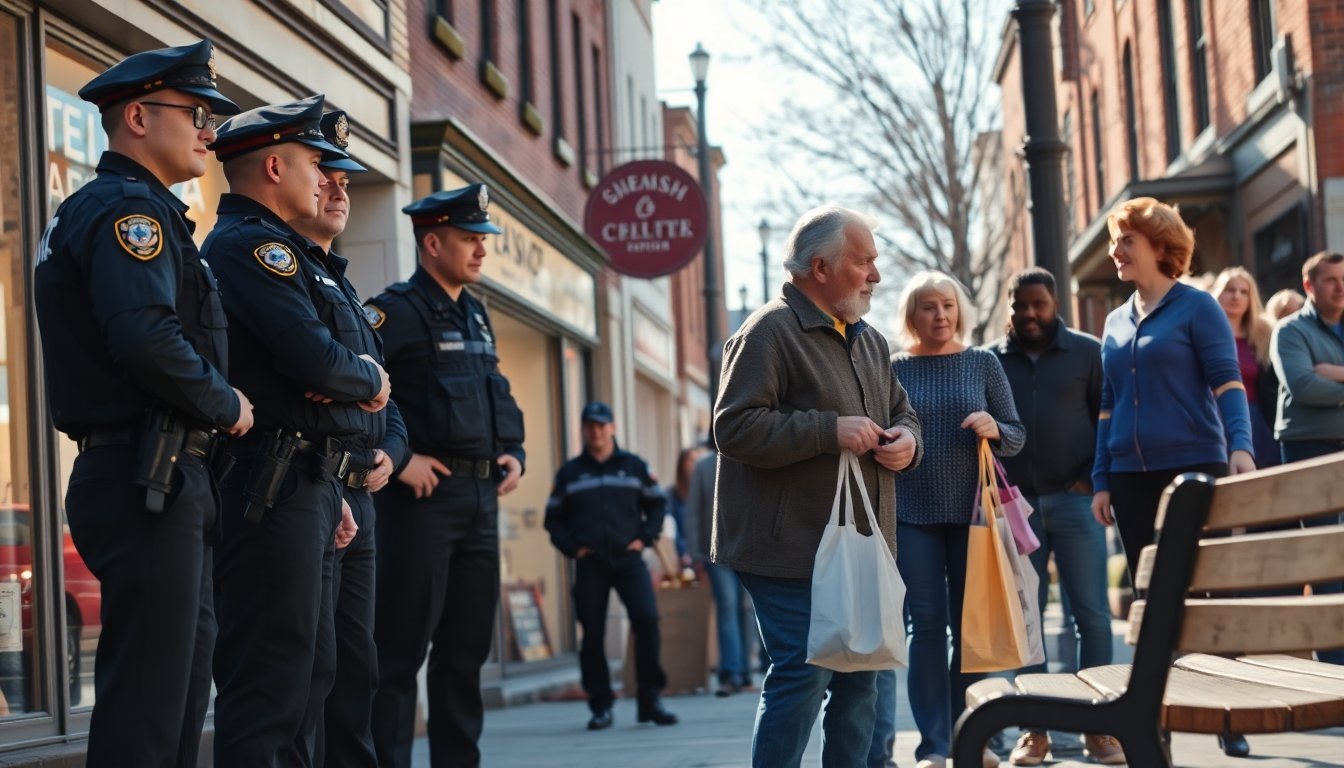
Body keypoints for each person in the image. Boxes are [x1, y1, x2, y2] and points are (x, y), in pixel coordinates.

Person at [32, 39, 251, 767]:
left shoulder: (136, 211)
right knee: (150, 705)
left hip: (158, 472)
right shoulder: (129, 211)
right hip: (145, 473)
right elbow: (146, 339)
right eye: (194, 112)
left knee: (179, 696)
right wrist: (227, 404)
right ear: (136, 117)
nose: (208, 130)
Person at [206, 94, 393, 766]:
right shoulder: (248, 247)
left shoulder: (293, 253)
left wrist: (352, 379)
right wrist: (367, 379)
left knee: (313, 676)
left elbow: (327, 370)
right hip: (271, 487)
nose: (325, 177)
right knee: (271, 686)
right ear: (277, 165)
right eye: (316, 161)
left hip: (309, 485)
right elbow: (312, 360)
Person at [713, 205, 922, 768]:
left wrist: (908, 440)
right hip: (787, 551)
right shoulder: (767, 332)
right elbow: (732, 428)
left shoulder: (869, 339)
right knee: (804, 676)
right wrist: (827, 431)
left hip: (861, 548)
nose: (876, 275)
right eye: (865, 262)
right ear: (822, 266)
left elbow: (904, 413)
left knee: (861, 686)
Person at [366, 184, 526, 768]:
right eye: (469, 239)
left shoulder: (476, 314)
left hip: (480, 501)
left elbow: (494, 395)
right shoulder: (395, 312)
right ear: (431, 242)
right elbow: (360, 390)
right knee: (399, 653)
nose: (481, 250)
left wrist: (514, 451)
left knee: (465, 655)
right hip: (421, 506)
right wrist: (399, 458)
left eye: (482, 239)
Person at [1091, 197, 1256, 757]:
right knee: (1149, 598)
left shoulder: (1198, 308)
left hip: (1193, 468)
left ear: (1161, 248)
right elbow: (1108, 405)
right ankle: (1153, 720)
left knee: (1203, 593)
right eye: (1116, 242)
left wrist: (1241, 447)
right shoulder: (1115, 321)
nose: (1116, 251)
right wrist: (1102, 477)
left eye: (1125, 241)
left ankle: (1226, 712)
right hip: (1130, 476)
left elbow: (1227, 382)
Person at [285, 110, 411, 767]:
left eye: (345, 181)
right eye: (326, 176)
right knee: (308, 675)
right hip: (309, 485)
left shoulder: (341, 282)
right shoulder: (274, 263)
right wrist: (362, 382)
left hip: (361, 488)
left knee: (356, 665)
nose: (339, 190)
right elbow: (320, 369)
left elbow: (384, 394)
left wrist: (391, 444)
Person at [868, 271, 1023, 768]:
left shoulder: (983, 363)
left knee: (970, 627)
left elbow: (1017, 435)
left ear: (961, 311)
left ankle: (972, 739)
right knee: (927, 626)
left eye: (949, 306)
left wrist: (995, 426)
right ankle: (934, 746)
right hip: (911, 514)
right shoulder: (891, 368)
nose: (941, 315)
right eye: (929, 306)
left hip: (973, 514)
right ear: (911, 314)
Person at [987, 268, 1122, 766]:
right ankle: (1034, 731)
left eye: (1037, 304)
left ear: (1055, 303)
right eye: (1019, 305)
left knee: (1092, 616)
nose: (1027, 314)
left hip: (1075, 500)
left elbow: (1108, 419)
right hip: (1015, 507)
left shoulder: (1088, 352)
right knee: (1027, 622)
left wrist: (1094, 477)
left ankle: (1100, 727)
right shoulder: (990, 360)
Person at [543, 402, 677, 730]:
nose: (596, 431)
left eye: (602, 425)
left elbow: (658, 505)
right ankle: (600, 706)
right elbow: (553, 519)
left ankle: (650, 701)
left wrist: (644, 539)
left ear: (612, 428)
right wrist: (574, 549)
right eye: (590, 425)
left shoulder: (634, 467)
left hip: (629, 560)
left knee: (646, 620)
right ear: (584, 429)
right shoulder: (570, 473)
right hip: (591, 563)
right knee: (592, 633)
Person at [1269, 250, 1344, 665]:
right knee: (1325, 558)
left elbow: (1321, 384)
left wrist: (1333, 373)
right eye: (1331, 279)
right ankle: (1335, 668)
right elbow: (1303, 386)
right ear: (1310, 286)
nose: (1340, 286)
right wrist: (1320, 378)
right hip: (1309, 449)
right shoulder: (1289, 331)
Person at [687, 444, 756, 697]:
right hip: (715, 552)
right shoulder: (703, 467)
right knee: (727, 606)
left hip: (748, 551)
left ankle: (746, 668)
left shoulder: (750, 458)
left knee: (747, 609)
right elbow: (693, 511)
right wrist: (695, 554)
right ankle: (731, 672)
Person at [1210, 267, 1279, 468]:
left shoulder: (1264, 335)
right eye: (1230, 290)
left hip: (1255, 419)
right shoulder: (1203, 333)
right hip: (1213, 417)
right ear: (1219, 293)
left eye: (1244, 291)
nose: (1237, 296)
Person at [665, 446, 704, 568]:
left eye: (697, 461)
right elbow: (670, 528)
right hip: (680, 557)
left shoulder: (705, 493)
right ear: (681, 465)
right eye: (691, 460)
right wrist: (684, 552)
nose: (695, 465)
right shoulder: (671, 494)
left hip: (704, 556)